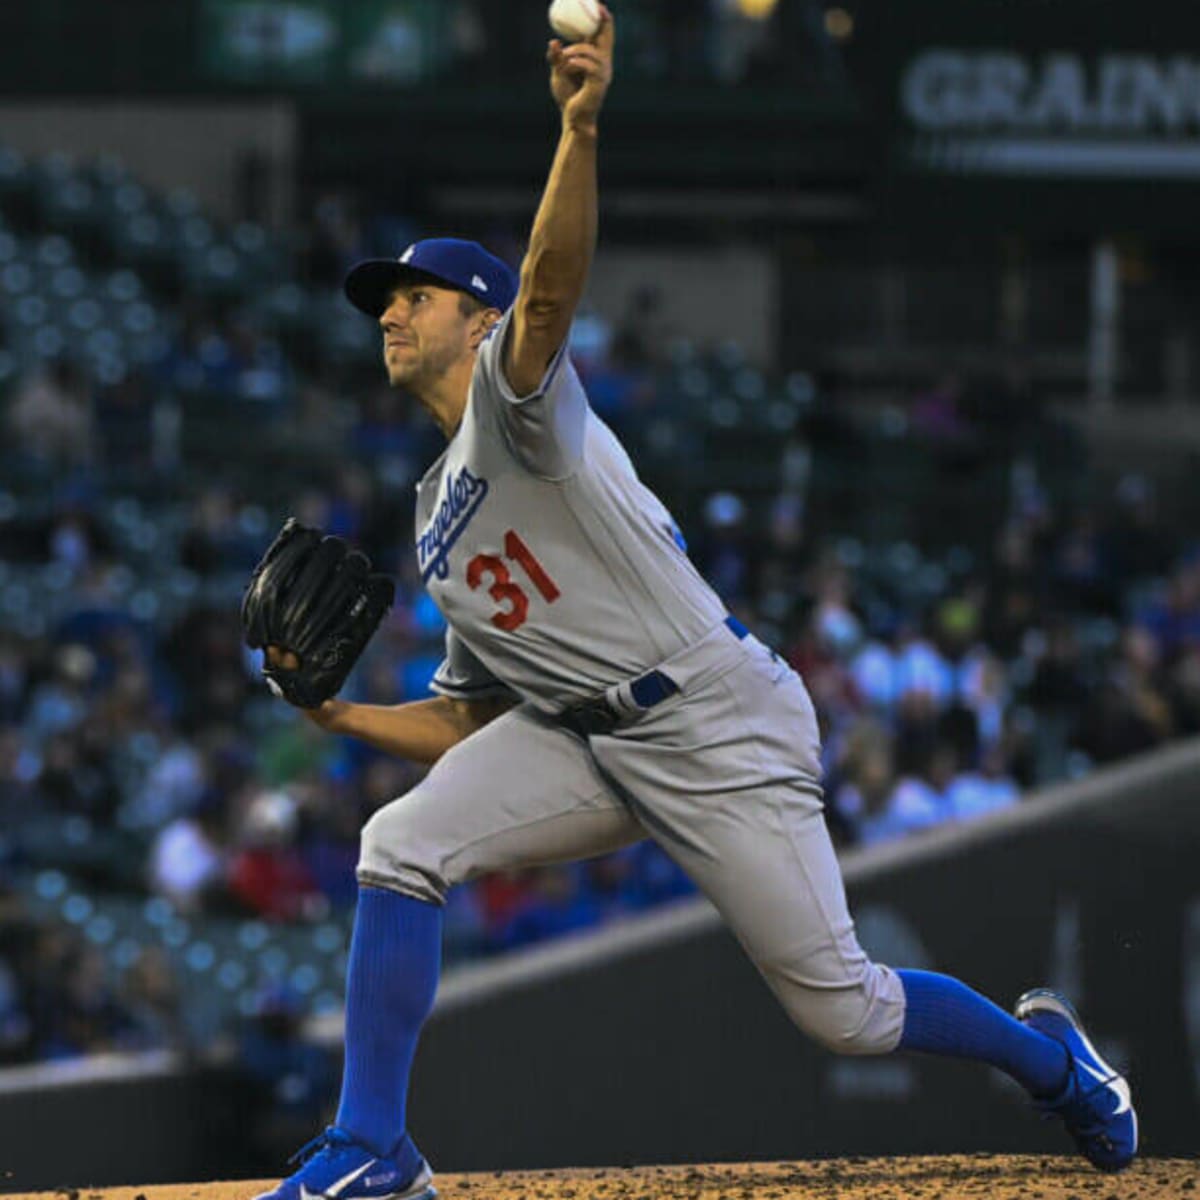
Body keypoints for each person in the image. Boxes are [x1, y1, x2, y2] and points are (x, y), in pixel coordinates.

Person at [254, 11, 1136, 1199]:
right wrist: (341, 721)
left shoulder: (518, 408)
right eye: (386, 298)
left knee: (847, 1010)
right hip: (585, 737)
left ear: (479, 316)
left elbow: (555, 283)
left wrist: (579, 125)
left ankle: (1058, 1067)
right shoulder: (435, 518)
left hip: (716, 719)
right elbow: (467, 719)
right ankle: (377, 1150)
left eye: (417, 294)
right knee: (399, 841)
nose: (391, 311)